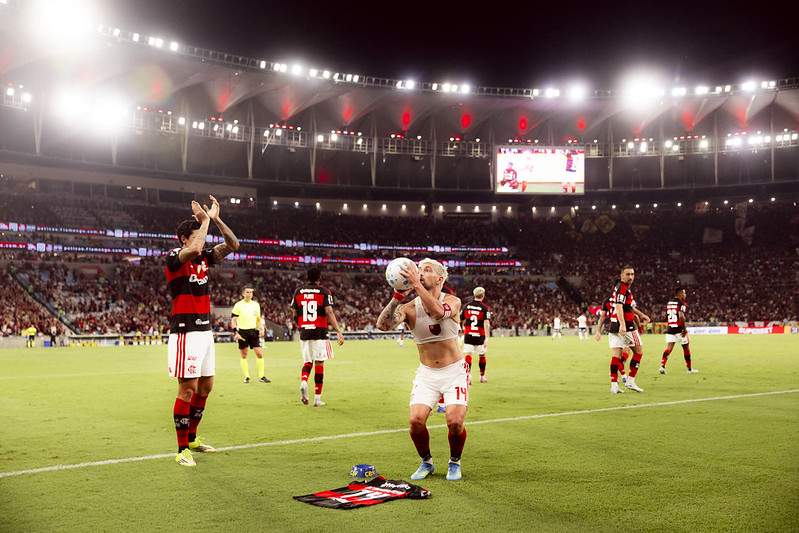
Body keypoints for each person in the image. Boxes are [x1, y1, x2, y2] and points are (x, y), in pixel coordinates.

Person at [376, 258, 468, 481]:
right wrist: (398, 296)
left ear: (439, 278)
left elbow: (437, 312)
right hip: (427, 374)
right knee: (416, 422)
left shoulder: (453, 301)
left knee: (455, 422)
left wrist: (415, 285)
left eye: (426, 271)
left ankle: (454, 462)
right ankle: (426, 462)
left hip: (454, 371)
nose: (420, 273)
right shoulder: (409, 308)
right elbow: (383, 325)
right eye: (419, 270)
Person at [166, 195, 239, 467]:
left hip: (205, 331)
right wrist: (204, 220)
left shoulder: (205, 256)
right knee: (187, 389)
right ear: (184, 238)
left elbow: (233, 244)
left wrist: (216, 220)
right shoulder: (175, 256)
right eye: (198, 235)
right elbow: (195, 249)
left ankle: (193, 439)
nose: (203, 240)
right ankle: (181, 449)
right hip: (185, 331)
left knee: (206, 387)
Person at [290, 267, 345, 407]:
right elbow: (329, 312)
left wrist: (301, 325)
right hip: (320, 331)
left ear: (306, 278)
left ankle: (303, 381)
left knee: (308, 362)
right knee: (319, 363)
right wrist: (338, 331)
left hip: (305, 331)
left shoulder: (298, 292)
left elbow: (294, 314)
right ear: (319, 278)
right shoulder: (324, 292)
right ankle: (317, 399)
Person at [607, 266, 650, 394]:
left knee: (616, 355)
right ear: (622, 276)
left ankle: (614, 385)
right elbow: (619, 307)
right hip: (626, 325)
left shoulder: (619, 288)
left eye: (632, 274)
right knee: (638, 352)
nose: (630, 277)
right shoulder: (623, 288)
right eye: (627, 274)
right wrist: (623, 325)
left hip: (613, 325)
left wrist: (642, 315)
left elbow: (628, 307)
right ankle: (630, 381)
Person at [231, 286, 269, 383]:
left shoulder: (256, 305)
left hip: (253, 332)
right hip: (242, 332)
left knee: (259, 354)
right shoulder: (238, 305)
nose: (249, 294)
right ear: (243, 294)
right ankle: (247, 377)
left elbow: (258, 319)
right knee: (244, 355)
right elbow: (233, 321)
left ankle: (261, 376)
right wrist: (236, 332)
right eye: (247, 292)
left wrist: (260, 329)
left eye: (251, 292)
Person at [660, 287, 699, 374]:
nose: (685, 295)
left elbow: (665, 316)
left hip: (670, 328)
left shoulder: (669, 303)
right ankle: (689, 369)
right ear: (680, 294)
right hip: (679, 329)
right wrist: (684, 329)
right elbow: (681, 316)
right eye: (684, 293)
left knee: (668, 348)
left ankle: (662, 366)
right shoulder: (681, 303)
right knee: (686, 347)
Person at [461, 286, 491, 383]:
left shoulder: (466, 306)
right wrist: (486, 338)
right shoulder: (484, 308)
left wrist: (461, 328)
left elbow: (459, 319)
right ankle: (482, 376)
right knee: (482, 355)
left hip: (469, 335)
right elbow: (486, 323)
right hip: (480, 335)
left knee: (468, 355)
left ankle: (468, 376)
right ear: (483, 295)